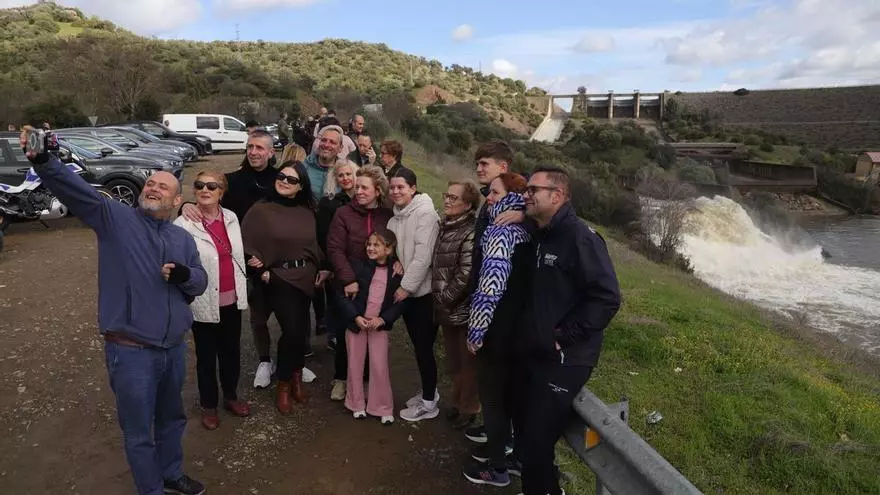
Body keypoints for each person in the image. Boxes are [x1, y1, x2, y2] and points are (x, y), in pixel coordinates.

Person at [20, 128, 208, 495]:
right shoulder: (114, 219)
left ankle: (171, 473)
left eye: (163, 187)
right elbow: (77, 191)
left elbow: (200, 282)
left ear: (177, 199)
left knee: (172, 418)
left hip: (173, 349)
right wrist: (44, 161)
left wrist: (186, 275)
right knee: (139, 431)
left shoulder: (181, 238)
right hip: (131, 350)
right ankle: (151, 489)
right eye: (149, 183)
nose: (152, 188)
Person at [180, 130, 318, 388]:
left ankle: (294, 364)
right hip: (247, 262)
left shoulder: (278, 179)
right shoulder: (233, 181)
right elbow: (208, 194)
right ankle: (265, 361)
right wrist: (186, 205)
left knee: (294, 320)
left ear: (270, 152)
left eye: (259, 148)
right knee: (259, 317)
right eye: (250, 147)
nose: (253, 152)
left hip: (279, 263)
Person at [515, 166, 621, 495]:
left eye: (534, 190)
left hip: (566, 358)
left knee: (535, 440)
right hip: (537, 352)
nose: (526, 195)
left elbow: (607, 298)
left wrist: (562, 337)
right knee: (528, 440)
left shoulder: (580, 238)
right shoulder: (540, 234)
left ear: (557, 196)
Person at [241, 161, 332, 414]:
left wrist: (322, 267)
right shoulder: (261, 209)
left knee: (300, 330)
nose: (284, 181)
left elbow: (317, 241)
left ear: (300, 186)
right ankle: (283, 384)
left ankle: (293, 376)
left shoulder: (308, 210)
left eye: (292, 180)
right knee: (292, 332)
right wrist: (261, 270)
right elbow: (246, 243)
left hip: (306, 277)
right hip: (278, 277)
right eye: (281, 176)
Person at [463, 173, 533, 488]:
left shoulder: (501, 233)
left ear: (511, 197)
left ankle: (496, 469)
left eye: (493, 193)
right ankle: (513, 458)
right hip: (521, 333)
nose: (488, 198)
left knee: (492, 401)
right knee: (514, 400)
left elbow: (490, 290)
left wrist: (475, 334)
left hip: (496, 332)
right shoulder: (529, 229)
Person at [174, 171, 251, 430]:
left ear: (221, 192)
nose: (205, 189)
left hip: (232, 298)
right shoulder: (183, 224)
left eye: (211, 186)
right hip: (203, 301)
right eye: (199, 185)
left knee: (231, 353)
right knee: (206, 357)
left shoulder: (231, 218)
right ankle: (209, 405)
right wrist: (182, 206)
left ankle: (230, 396)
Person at [463, 139, 515, 445]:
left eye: (485, 163)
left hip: (498, 306)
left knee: (498, 378)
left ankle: (502, 443)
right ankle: (493, 428)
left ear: (503, 167)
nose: (479, 168)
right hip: (486, 297)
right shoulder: (492, 199)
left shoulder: (513, 200)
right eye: (478, 163)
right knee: (489, 377)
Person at [326, 166, 393, 401]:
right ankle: (342, 379)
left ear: (377, 190)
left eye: (365, 187)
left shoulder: (387, 215)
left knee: (372, 331)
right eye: (358, 187)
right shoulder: (344, 213)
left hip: (377, 282)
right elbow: (335, 248)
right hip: (350, 282)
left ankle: (365, 380)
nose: (359, 191)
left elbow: (393, 243)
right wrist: (348, 279)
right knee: (350, 329)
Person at [387, 168, 442, 422]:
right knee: (420, 347)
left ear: (413, 188)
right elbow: (397, 250)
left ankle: (430, 403)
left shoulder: (425, 214)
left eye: (401, 187)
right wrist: (396, 260)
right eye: (392, 187)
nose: (396, 192)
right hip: (411, 293)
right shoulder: (394, 218)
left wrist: (405, 287)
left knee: (424, 349)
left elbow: (423, 257)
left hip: (424, 294)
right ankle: (428, 391)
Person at [338, 228, 405, 425]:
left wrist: (384, 319)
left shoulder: (397, 272)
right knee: (355, 363)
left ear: (389, 249)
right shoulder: (357, 267)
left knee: (379, 365)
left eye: (376, 245)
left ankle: (382, 406)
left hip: (378, 326)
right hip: (357, 323)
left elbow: (401, 302)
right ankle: (355, 403)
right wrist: (355, 316)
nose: (370, 248)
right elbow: (341, 295)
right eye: (369, 244)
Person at [431, 180, 481, 429]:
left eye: (454, 197)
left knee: (467, 363)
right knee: (454, 361)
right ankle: (456, 402)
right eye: (446, 195)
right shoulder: (446, 224)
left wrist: (444, 299)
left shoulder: (470, 230)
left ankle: (469, 408)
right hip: (445, 308)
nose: (447, 200)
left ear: (468, 204)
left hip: (460, 308)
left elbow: (466, 273)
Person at [316, 161, 360, 351]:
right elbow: (323, 235)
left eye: (348, 174)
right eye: (341, 175)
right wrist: (327, 265)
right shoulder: (328, 203)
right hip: (336, 258)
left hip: (359, 259)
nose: (345, 178)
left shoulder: (364, 197)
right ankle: (334, 335)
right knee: (335, 299)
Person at [304, 125, 356, 198]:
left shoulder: (345, 172)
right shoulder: (304, 167)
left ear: (340, 148)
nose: (326, 145)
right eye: (324, 140)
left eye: (332, 142)